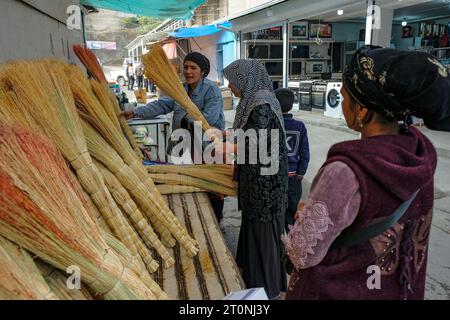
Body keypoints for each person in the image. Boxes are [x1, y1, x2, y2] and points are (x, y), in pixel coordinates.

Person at [282, 45, 450, 300]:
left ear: (362, 110)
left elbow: (302, 252)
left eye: (345, 95)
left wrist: (307, 216)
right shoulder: (420, 153)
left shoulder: (345, 172)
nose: (343, 103)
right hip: (395, 289)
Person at [122, 52, 226, 224]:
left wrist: (187, 116)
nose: (188, 71)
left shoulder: (211, 90)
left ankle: (217, 220)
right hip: (184, 146)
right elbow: (162, 105)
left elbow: (211, 118)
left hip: (207, 146)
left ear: (203, 71)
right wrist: (135, 112)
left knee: (212, 185)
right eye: (186, 67)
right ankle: (197, 218)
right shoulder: (180, 89)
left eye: (193, 68)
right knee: (190, 183)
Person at [218, 59, 289, 299]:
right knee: (256, 231)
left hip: (264, 185)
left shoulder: (260, 104)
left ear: (244, 78)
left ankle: (264, 289)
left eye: (232, 80)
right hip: (259, 182)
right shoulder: (254, 100)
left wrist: (226, 147)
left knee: (263, 233)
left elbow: (256, 147)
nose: (230, 86)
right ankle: (254, 279)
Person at [275, 88, 310, 232]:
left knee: (277, 211)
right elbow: (305, 152)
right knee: (292, 212)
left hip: (275, 176)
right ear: (292, 104)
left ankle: (277, 246)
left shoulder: (271, 124)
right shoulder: (299, 126)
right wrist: (301, 172)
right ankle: (292, 246)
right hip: (294, 176)